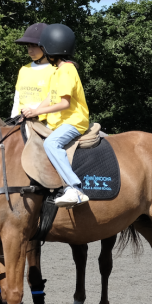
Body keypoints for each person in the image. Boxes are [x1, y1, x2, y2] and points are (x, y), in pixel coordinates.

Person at [20, 23, 91, 207]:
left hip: (73, 121)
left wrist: (37, 111)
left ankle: (74, 189)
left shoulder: (67, 69)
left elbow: (64, 103)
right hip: (58, 122)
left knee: (52, 143)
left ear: (51, 48)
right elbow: (50, 99)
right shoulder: (58, 71)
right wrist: (31, 111)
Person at [10, 23, 55, 120]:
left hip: (44, 121)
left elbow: (53, 99)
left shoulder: (55, 70)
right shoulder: (24, 69)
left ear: (46, 47)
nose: (30, 50)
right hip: (21, 119)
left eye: (34, 46)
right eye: (28, 46)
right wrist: (12, 119)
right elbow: (17, 98)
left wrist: (34, 111)